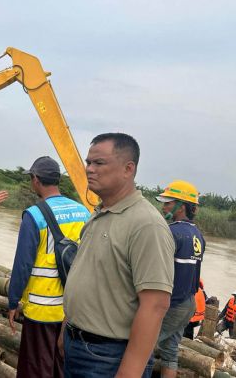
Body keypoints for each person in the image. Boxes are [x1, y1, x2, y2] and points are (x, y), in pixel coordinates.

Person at [61, 133, 175, 378]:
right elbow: (87, 278)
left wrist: (130, 372)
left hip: (108, 356)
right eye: (88, 162)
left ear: (128, 169)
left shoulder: (146, 225)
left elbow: (155, 304)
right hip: (78, 344)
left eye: (98, 163)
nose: (89, 169)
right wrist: (66, 330)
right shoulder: (99, 214)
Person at [7, 156, 90, 378]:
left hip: (41, 308)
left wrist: (13, 302)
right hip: (72, 309)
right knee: (61, 366)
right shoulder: (83, 212)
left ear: (36, 179)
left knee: (36, 367)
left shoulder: (34, 215)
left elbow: (22, 264)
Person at [155, 180, 206, 377]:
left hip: (172, 304)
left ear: (181, 206)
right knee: (170, 352)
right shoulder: (197, 234)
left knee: (142, 348)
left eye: (168, 203)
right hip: (188, 303)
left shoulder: (171, 232)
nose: (164, 206)